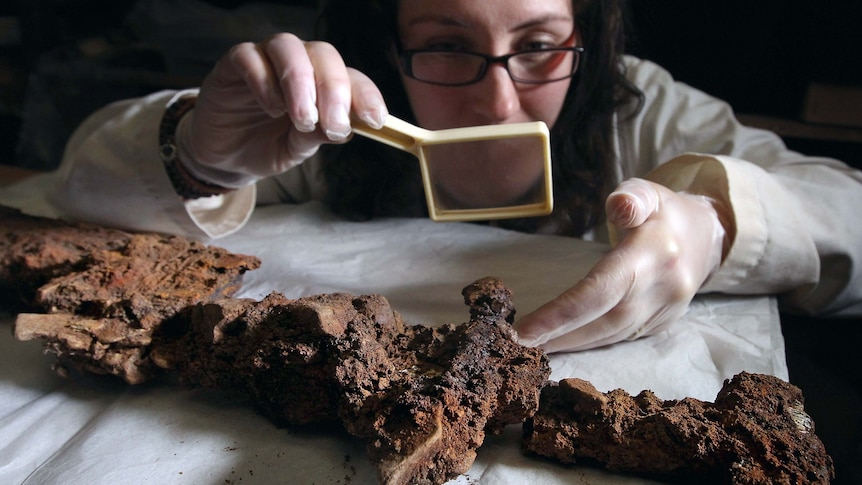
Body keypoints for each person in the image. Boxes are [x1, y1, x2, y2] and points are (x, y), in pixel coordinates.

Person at [50, 0, 862, 353]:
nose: (499, 97)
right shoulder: (332, 123)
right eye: (446, 45)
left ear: (589, 38)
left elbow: (849, 212)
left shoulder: (642, 111)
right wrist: (197, 155)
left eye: (539, 44)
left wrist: (719, 224)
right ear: (388, 45)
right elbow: (73, 191)